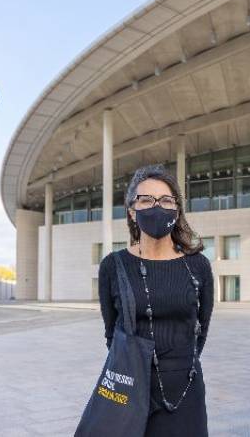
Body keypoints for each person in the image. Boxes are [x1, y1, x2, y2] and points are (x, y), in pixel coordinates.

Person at [98, 164, 214, 437]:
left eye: (165, 200)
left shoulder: (198, 266)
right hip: (132, 387)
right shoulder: (113, 266)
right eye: (146, 200)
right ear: (131, 210)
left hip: (186, 387)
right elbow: (111, 333)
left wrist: (181, 363)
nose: (156, 207)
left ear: (176, 209)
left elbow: (202, 327)